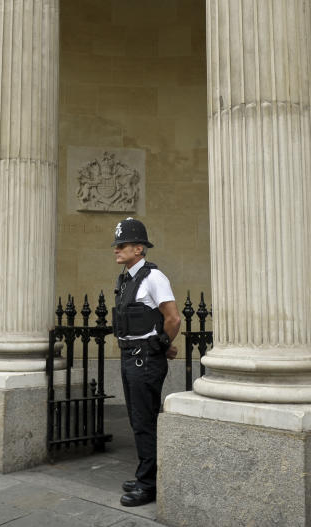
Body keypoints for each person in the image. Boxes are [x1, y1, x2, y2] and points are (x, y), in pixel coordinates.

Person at [111, 217, 180, 507]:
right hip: (131, 355)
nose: (116, 249)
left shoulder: (154, 277)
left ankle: (148, 484)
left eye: (122, 245)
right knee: (138, 420)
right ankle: (146, 473)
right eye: (116, 245)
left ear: (139, 249)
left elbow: (173, 318)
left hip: (144, 359)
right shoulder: (126, 279)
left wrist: (160, 346)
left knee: (144, 420)